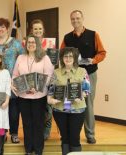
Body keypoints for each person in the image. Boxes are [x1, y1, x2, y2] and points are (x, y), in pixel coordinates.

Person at [61, 10, 106, 144]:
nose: (75, 21)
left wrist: (93, 60)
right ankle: (69, 135)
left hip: (89, 74)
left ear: (82, 19)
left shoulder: (93, 34)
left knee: (88, 104)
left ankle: (90, 134)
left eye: (78, 18)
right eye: (73, 19)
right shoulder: (67, 37)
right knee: (69, 103)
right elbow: (61, 54)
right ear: (71, 21)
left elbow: (102, 53)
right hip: (72, 75)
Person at [12, 35, 54, 155]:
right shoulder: (20, 57)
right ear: (25, 44)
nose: (31, 44)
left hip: (39, 97)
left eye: (33, 42)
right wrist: (15, 84)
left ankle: (38, 149)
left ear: (37, 44)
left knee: (38, 123)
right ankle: (28, 149)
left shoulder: (45, 58)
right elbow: (15, 75)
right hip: (23, 96)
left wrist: (38, 87)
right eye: (29, 42)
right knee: (26, 123)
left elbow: (49, 76)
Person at [0, 18, 24, 143]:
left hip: (13, 82)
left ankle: (14, 132)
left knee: (13, 109)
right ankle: (3, 132)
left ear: (7, 29)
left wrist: (18, 79)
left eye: (3, 27)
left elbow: (22, 61)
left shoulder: (16, 43)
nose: (0, 29)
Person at [48, 47, 90, 154]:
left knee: (74, 137)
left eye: (71, 56)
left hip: (77, 109)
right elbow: (51, 91)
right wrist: (50, 100)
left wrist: (81, 95)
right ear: (62, 58)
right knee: (64, 137)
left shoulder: (82, 71)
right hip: (60, 110)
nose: (68, 58)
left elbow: (87, 90)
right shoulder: (56, 73)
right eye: (65, 56)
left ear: (75, 58)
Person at [30, 19, 54, 140]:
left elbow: (54, 62)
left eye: (40, 28)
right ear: (32, 30)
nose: (38, 31)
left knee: (47, 109)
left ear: (43, 30)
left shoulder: (50, 44)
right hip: (32, 81)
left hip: (48, 80)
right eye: (35, 29)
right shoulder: (28, 43)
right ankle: (36, 130)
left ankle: (46, 130)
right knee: (36, 109)